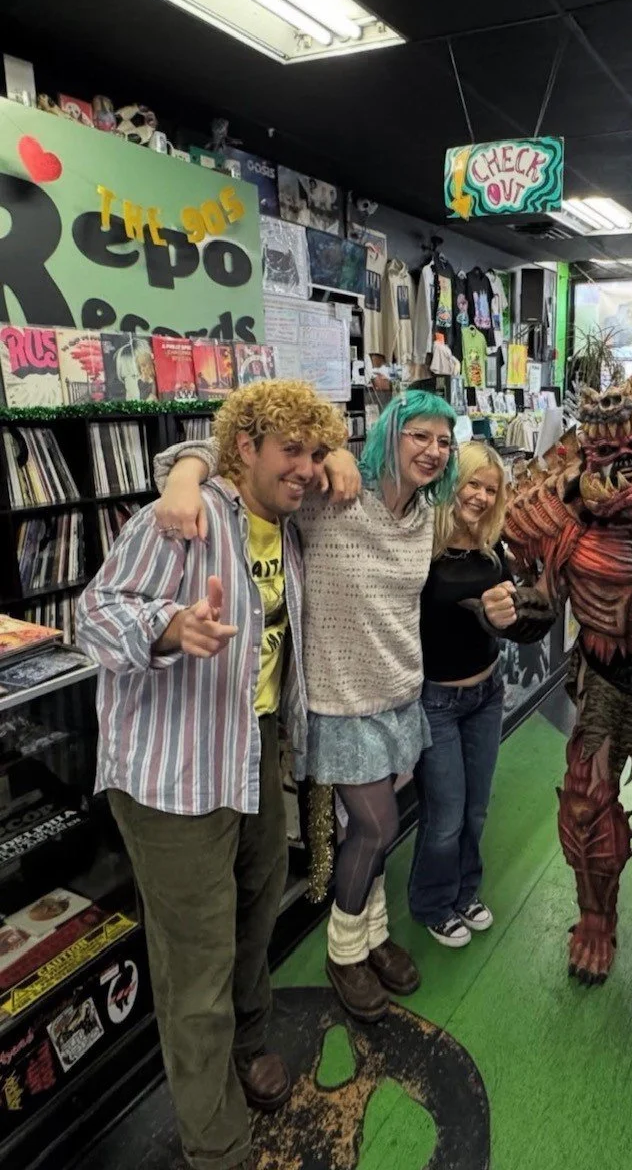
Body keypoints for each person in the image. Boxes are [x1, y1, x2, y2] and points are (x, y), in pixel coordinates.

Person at [75, 380, 344, 1170]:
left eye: (314, 451)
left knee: (256, 912)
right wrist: (166, 626)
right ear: (244, 449)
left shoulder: (288, 526)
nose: (303, 467)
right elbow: (92, 614)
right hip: (171, 772)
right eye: (287, 450)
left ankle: (250, 1040)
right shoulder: (183, 518)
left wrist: (341, 466)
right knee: (194, 961)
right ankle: (215, 1143)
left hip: (254, 746)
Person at [152, 391, 459, 1025]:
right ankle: (344, 951)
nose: (433, 450)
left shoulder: (425, 515)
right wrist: (184, 476)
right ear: (390, 434)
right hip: (337, 697)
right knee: (374, 827)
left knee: (375, 829)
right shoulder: (331, 492)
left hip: (400, 690)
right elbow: (249, 463)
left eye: (443, 440)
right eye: (419, 435)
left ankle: (371, 934)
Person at [409, 441, 519, 947]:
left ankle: (464, 890)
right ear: (453, 481)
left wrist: (510, 608)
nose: (479, 496)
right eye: (472, 483)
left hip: (487, 692)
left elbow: (513, 614)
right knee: (445, 813)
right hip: (436, 701)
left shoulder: (494, 547)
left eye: (490, 489)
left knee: (475, 809)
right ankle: (433, 901)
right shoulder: (420, 544)